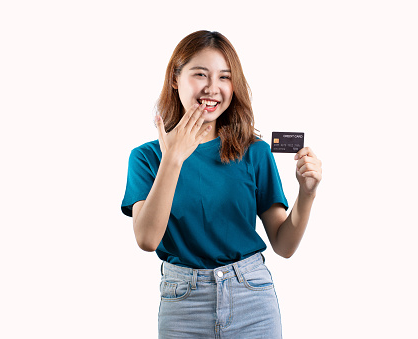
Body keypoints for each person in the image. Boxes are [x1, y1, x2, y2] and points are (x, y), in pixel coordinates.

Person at [121, 30, 322, 339]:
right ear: (175, 78)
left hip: (252, 297)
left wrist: (306, 194)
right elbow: (147, 239)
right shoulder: (146, 158)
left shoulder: (254, 151)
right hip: (183, 304)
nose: (212, 88)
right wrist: (172, 159)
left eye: (224, 78)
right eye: (200, 74)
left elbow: (284, 244)